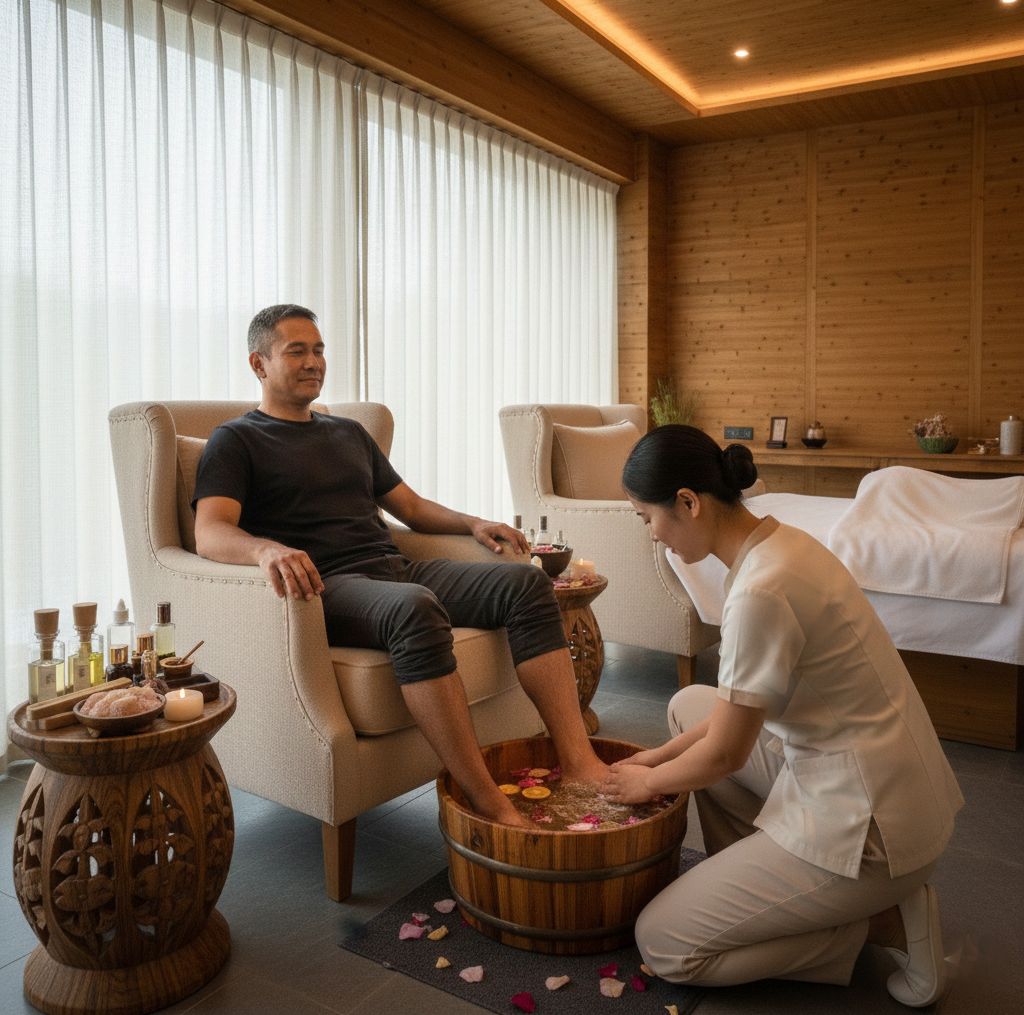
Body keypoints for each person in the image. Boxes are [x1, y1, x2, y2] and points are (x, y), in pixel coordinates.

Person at [192, 303, 609, 827]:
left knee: (524, 583)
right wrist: (263, 549)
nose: (313, 361)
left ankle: (578, 760)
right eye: (295, 350)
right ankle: (485, 799)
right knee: (414, 607)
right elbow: (209, 531)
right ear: (259, 364)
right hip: (325, 587)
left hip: (392, 569)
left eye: (318, 350)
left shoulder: (346, 433)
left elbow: (408, 508)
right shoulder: (237, 439)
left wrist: (472, 522)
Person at [600, 424, 964, 1007]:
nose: (653, 536)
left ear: (688, 503)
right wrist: (659, 755)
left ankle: (879, 924)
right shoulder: (780, 543)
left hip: (874, 834)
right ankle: (778, 894)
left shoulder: (760, 591)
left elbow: (726, 753)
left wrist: (646, 781)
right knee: (688, 705)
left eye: (648, 518)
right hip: (884, 782)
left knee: (664, 942)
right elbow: (731, 717)